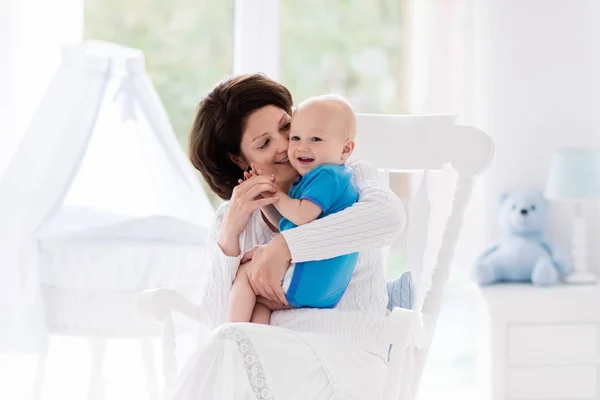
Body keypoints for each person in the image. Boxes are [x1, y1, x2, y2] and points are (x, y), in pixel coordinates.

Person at [174, 73, 405, 400]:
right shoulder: (234, 217)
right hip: (262, 359)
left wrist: (286, 245)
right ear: (240, 159)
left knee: (229, 353)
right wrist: (229, 235)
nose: (287, 146)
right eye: (265, 143)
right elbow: (215, 326)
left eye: (286, 127)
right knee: (226, 349)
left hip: (345, 358)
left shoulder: (350, 176)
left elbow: (389, 219)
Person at [228, 94, 361, 324]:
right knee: (259, 301)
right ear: (240, 160)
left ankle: (232, 334)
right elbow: (286, 223)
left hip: (311, 278)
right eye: (296, 137)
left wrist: (277, 196)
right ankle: (250, 345)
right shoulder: (320, 179)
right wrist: (267, 199)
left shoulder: (328, 175)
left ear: (345, 149)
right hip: (323, 286)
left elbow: (301, 216)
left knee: (245, 277)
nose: (300, 147)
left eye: (316, 139)